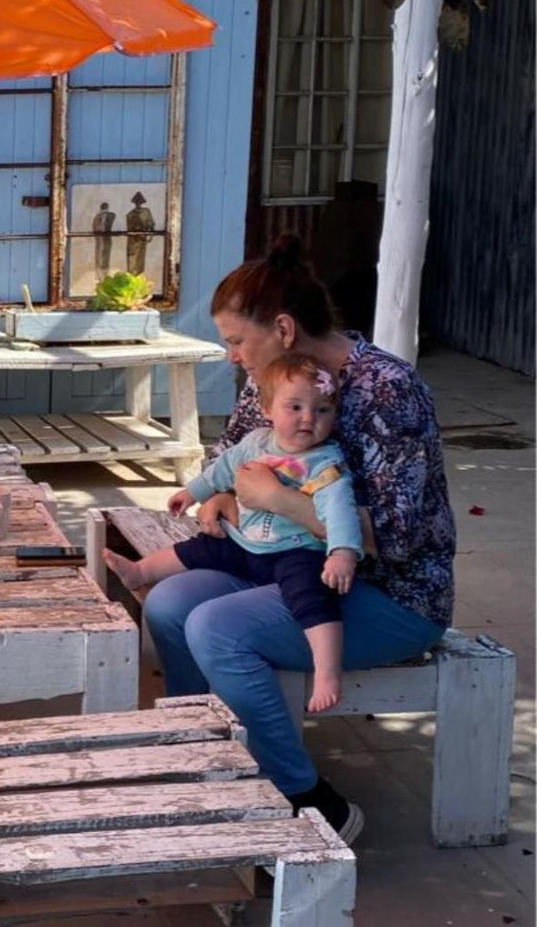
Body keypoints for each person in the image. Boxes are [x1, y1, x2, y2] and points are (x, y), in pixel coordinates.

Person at [145, 236, 454, 844]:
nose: (232, 356)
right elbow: (230, 466)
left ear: (283, 328)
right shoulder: (268, 384)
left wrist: (282, 500)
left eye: (237, 340)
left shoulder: (387, 389)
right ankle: (208, 756)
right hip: (277, 563)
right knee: (170, 603)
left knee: (218, 628)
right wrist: (225, 496)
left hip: (391, 594)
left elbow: (402, 536)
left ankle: (306, 798)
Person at [103, 353, 361, 713]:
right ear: (267, 408)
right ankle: (141, 572)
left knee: (313, 596)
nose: (308, 418)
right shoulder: (255, 443)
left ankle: (327, 671)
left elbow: (339, 513)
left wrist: (342, 553)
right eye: (296, 407)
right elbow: (221, 470)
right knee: (199, 547)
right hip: (246, 541)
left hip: (296, 551)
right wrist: (193, 492)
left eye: (322, 411)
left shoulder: (325, 464)